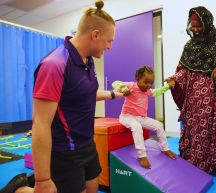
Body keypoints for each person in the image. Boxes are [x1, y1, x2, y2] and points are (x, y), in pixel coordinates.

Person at [0, 1, 124, 193]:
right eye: (110, 40)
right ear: (95, 35)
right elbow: (40, 123)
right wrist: (42, 179)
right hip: (64, 151)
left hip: (87, 144)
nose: (110, 46)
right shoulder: (54, 65)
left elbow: (84, 94)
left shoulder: (88, 60)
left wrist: (116, 94)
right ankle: (19, 189)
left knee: (93, 189)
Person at [166, 6, 216, 180]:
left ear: (207, 22)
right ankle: (198, 161)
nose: (195, 30)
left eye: (198, 26)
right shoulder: (190, 45)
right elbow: (184, 70)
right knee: (197, 126)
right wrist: (175, 81)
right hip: (195, 96)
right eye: (192, 26)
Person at [112, 66, 177, 169]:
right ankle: (141, 155)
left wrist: (168, 87)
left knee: (159, 125)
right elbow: (115, 83)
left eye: (151, 83)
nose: (148, 85)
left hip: (141, 117)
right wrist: (123, 88)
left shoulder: (147, 91)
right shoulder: (131, 86)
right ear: (138, 78)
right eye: (146, 82)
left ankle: (165, 148)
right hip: (127, 116)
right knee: (137, 127)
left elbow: (156, 92)